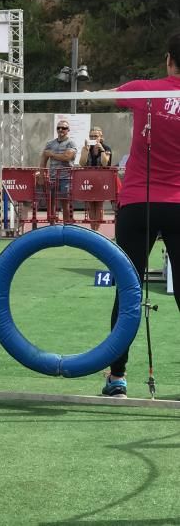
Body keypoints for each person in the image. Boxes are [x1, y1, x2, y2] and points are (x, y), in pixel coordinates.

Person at [102, 35, 180, 398]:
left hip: (138, 204)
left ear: (168, 59)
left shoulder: (142, 90)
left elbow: (106, 95)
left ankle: (117, 378)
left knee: (128, 287)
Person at [41, 119, 78, 223]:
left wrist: (52, 154)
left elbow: (67, 157)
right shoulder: (50, 143)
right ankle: (52, 225)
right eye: (59, 128)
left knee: (65, 202)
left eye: (64, 128)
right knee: (50, 201)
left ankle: (67, 225)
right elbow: (43, 159)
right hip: (52, 177)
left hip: (66, 177)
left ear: (68, 130)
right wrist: (41, 174)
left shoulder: (71, 143)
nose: (61, 129)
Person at [79, 125, 113, 231]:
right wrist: (85, 150)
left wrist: (102, 150)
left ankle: (96, 229)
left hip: (101, 179)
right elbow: (82, 163)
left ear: (101, 137)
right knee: (90, 204)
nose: (93, 138)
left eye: (95, 136)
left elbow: (105, 163)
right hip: (89, 180)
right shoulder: (86, 148)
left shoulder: (106, 148)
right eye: (91, 136)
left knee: (99, 204)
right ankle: (92, 228)